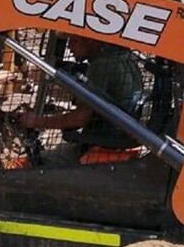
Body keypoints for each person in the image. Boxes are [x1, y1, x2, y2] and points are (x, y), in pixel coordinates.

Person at [18, 35, 144, 165]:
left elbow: (80, 118)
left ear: (90, 40)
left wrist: (37, 121)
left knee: (32, 163)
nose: (69, 46)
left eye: (73, 40)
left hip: (101, 147)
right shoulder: (126, 58)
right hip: (118, 141)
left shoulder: (101, 65)